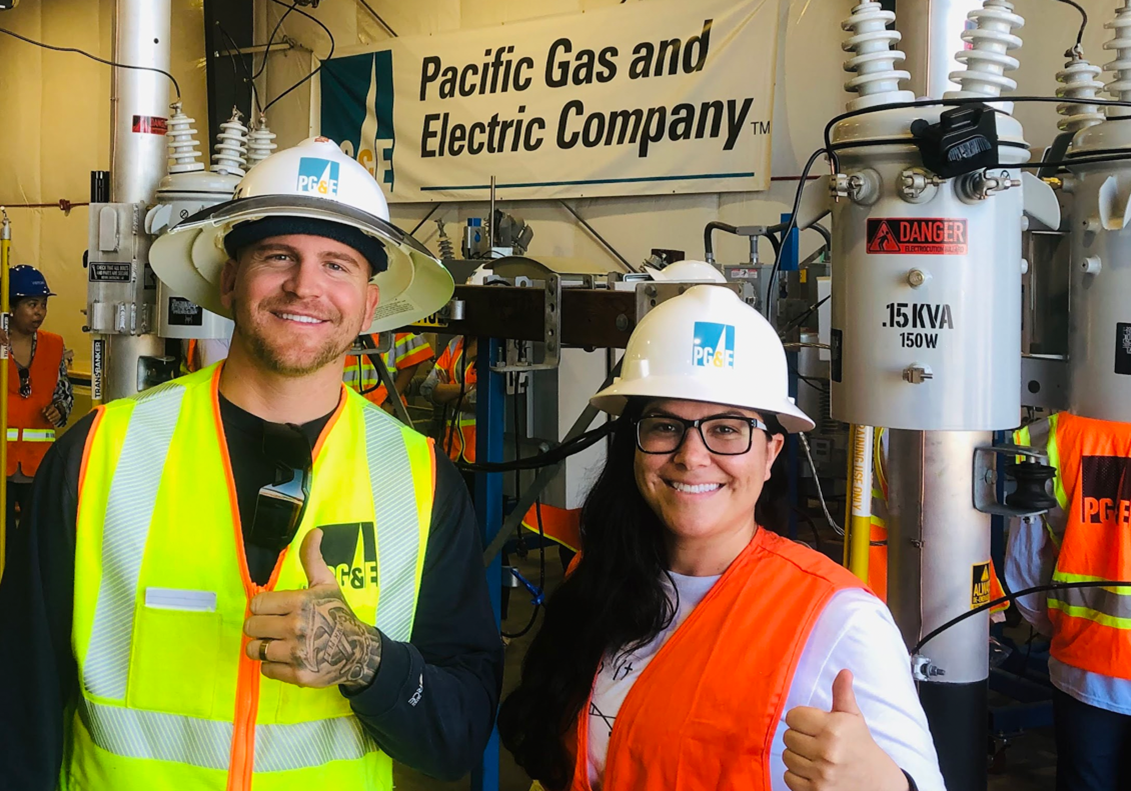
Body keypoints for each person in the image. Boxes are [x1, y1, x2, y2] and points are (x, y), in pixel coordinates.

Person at [0, 137, 502, 789]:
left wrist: (367, 659)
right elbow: (18, 711)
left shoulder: (421, 479)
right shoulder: (101, 451)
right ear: (230, 278)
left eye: (337, 265)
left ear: (370, 306)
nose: (304, 285)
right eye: (278, 256)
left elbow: (457, 734)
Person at [497, 285, 945, 791]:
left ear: (771, 452)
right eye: (666, 426)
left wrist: (885, 786)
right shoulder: (598, 578)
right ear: (635, 444)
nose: (692, 456)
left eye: (727, 429)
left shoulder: (836, 620)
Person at [1008, 412, 1131, 791]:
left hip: (1086, 665)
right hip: (1084, 666)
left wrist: (1059, 627)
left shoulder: (1061, 438)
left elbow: (1024, 567)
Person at [4, 264, 72, 534]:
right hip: (1, 464)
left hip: (39, 466)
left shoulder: (53, 345)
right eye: (32, 304)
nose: (39, 312)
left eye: (43, 305)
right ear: (11, 306)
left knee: (35, 542)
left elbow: (64, 395)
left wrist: (59, 409)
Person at [343, 331, 434, 411]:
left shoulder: (394, 320)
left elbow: (412, 360)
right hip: (345, 407)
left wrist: (390, 401)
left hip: (382, 406)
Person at [422, 335, 477, 463]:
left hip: (482, 450)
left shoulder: (498, 346)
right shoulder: (456, 343)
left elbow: (479, 401)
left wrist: (447, 391)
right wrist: (467, 387)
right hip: (453, 450)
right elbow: (428, 389)